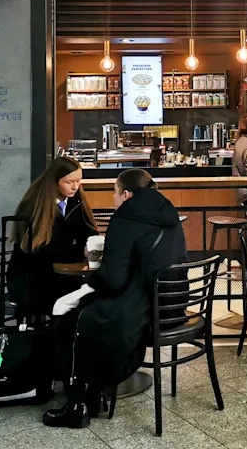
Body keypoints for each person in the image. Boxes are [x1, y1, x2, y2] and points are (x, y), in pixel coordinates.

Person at [43, 169, 187, 429]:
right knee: (87, 315)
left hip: (143, 311)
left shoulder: (125, 218)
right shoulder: (169, 214)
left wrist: (90, 282)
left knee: (73, 323)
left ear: (127, 194)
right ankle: (95, 393)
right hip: (171, 307)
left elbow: (114, 279)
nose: (113, 198)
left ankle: (78, 405)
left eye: (115, 192)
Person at [7, 156, 98, 317]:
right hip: (31, 277)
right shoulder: (34, 205)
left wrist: (91, 244)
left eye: (78, 181)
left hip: (57, 273)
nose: (75, 186)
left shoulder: (75, 201)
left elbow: (88, 231)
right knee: (77, 296)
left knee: (91, 292)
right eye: (69, 182)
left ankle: (70, 337)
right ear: (55, 181)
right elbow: (39, 250)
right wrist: (78, 251)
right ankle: (60, 338)